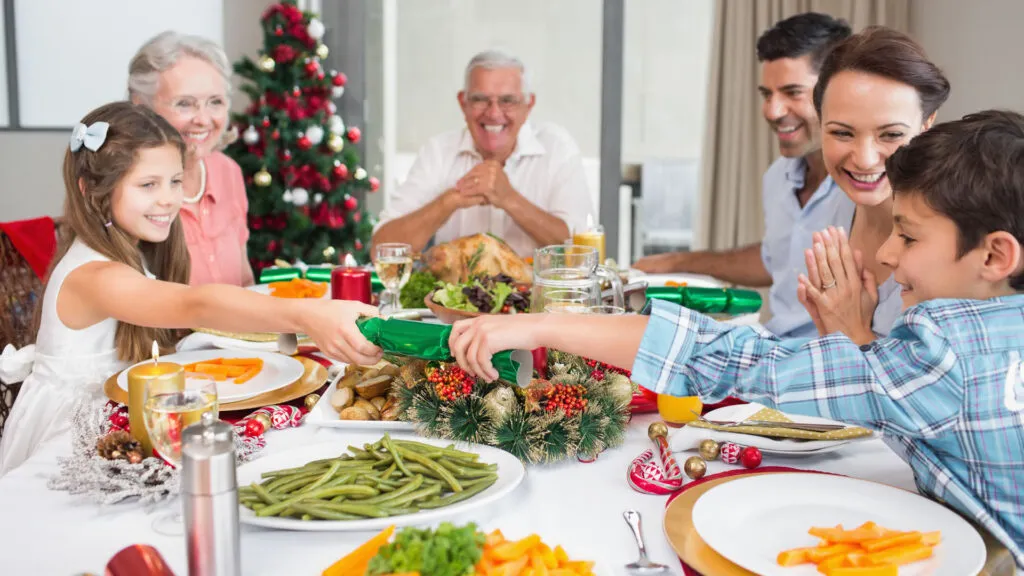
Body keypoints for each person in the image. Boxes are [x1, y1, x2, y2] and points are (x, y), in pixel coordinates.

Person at [448, 110, 1024, 570]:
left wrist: (539, 324)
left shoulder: (944, 350)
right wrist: (859, 342)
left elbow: (738, 360)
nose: (888, 253)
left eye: (908, 234)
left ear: (996, 254)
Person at [0, 102, 381, 476]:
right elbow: (195, 304)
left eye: (175, 181)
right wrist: (308, 314)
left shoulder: (130, 252)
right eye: (148, 185)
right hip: (71, 434)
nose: (169, 199)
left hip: (124, 414)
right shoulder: (94, 276)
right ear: (91, 191)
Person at [634, 13, 853, 339]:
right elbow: (776, 259)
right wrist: (677, 261)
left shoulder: (867, 190)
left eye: (792, 92)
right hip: (775, 344)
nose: (772, 111)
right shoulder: (778, 177)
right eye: (767, 94)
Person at [795, 27, 950, 340]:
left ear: (927, 124)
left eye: (891, 134)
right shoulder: (831, 206)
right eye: (842, 133)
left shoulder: (954, 242)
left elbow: (939, 384)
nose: (864, 160)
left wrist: (852, 332)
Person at [371, 49, 593, 257]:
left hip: (538, 297)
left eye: (507, 101)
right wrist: (448, 202)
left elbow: (581, 251)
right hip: (451, 297)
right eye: (480, 99)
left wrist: (509, 199)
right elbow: (381, 250)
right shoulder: (438, 151)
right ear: (463, 103)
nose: (494, 113)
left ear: (528, 105)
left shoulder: (557, 148)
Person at [129, 31, 252, 287]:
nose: (204, 120)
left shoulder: (227, 171)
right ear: (141, 106)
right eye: (185, 104)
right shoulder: (127, 185)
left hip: (238, 326)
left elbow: (244, 279)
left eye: (215, 102)